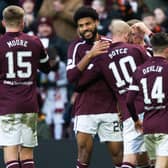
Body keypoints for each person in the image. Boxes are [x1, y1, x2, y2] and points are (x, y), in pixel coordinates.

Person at [76, 19, 151, 168]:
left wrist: (89, 56)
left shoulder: (101, 57)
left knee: (130, 157)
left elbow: (80, 82)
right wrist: (147, 35)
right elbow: (159, 61)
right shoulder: (136, 50)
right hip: (150, 106)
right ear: (127, 34)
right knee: (155, 155)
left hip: (129, 112)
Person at [66, 7, 123, 168]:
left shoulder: (111, 44)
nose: (85, 28)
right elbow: (71, 78)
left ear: (96, 22)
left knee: (118, 155)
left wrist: (120, 102)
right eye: (81, 26)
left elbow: (117, 79)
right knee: (83, 155)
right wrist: (91, 55)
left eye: (88, 24)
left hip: (110, 107)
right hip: (85, 108)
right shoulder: (76, 46)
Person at [0, 5, 50, 168]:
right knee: (27, 155)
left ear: (3, 23)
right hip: (29, 104)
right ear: (22, 22)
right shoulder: (35, 41)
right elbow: (46, 68)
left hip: (7, 104)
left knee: (10, 151)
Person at [127, 32, 168, 168]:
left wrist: (136, 120)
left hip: (148, 127)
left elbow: (129, 101)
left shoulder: (139, 70)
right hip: (165, 126)